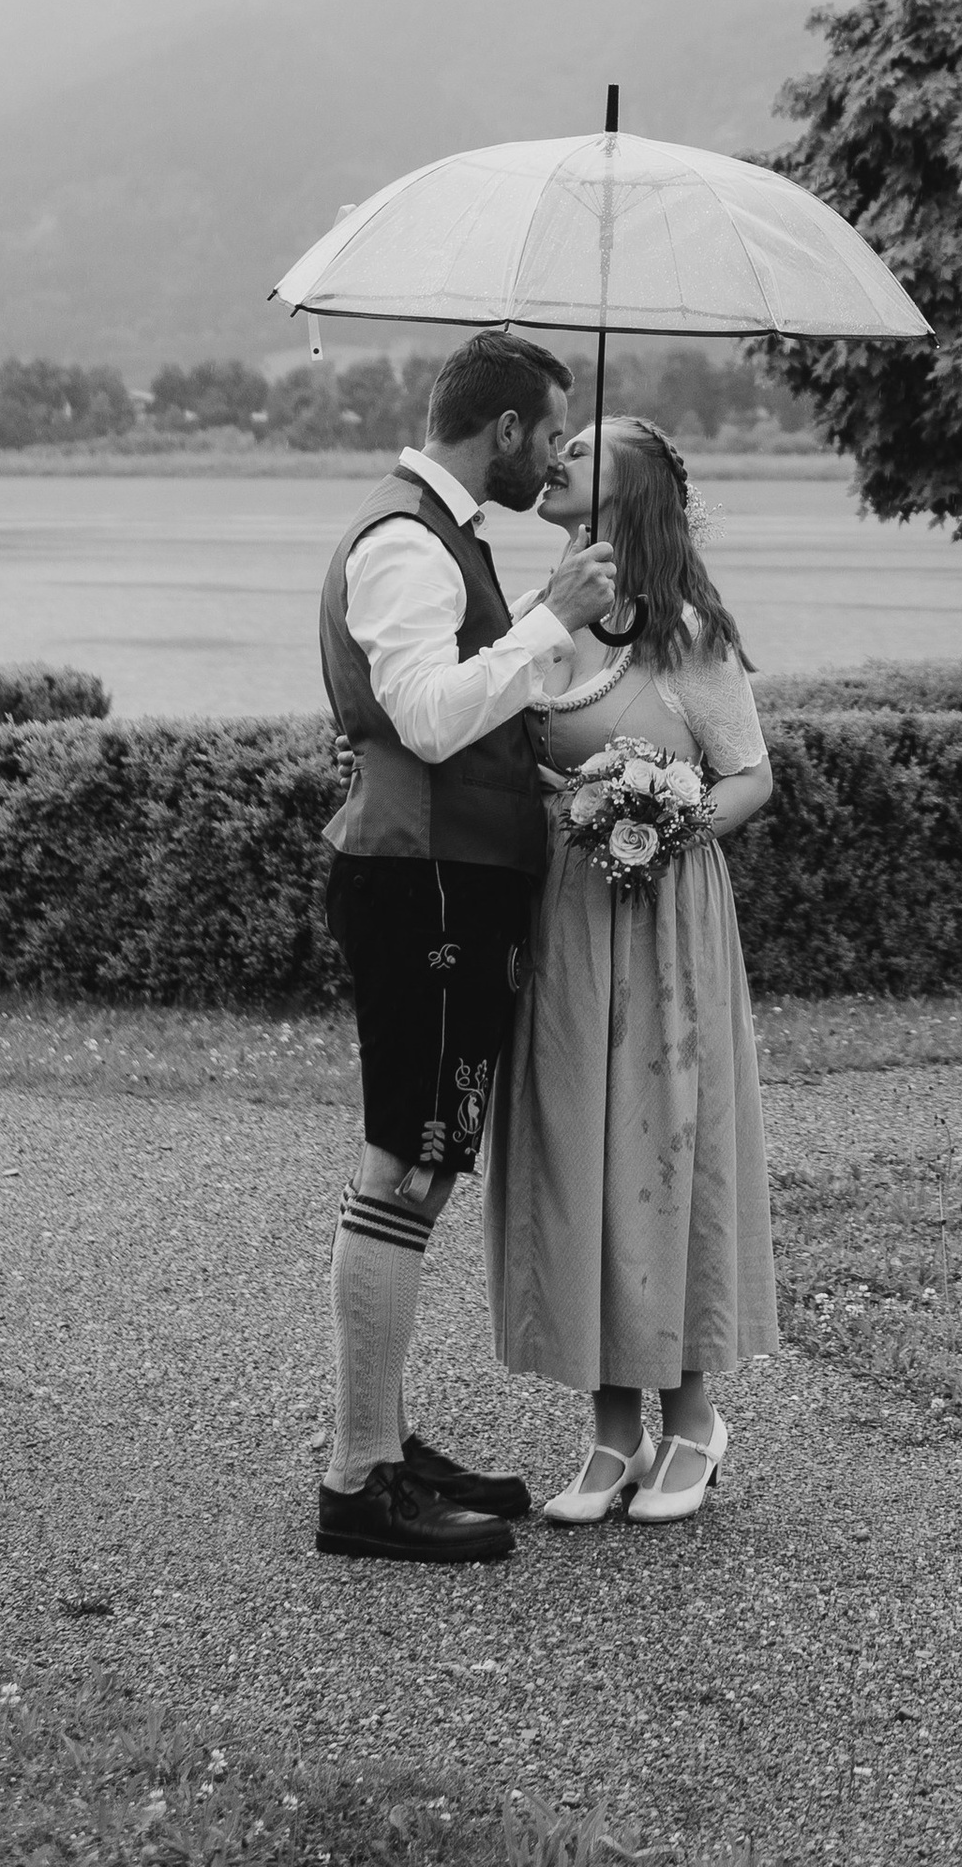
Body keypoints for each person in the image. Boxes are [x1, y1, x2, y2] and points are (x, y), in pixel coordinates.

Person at [313, 329, 622, 1567]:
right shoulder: (404, 542)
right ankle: (357, 1480)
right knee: (407, 1164)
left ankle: (382, 1442)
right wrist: (550, 621)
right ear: (502, 430)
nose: (552, 459)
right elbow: (430, 720)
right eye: (548, 435)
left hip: (448, 881)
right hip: (423, 884)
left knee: (423, 1163)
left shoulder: (442, 535)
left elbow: (467, 711)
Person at [484, 414, 778, 1524]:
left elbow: (748, 774)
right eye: (559, 441)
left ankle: (692, 1417)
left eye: (585, 447)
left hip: (663, 924)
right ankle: (612, 1434)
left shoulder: (687, 632)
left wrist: (665, 818)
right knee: (579, 1153)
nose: (558, 456)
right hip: (564, 920)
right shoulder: (539, 616)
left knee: (663, 1149)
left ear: (634, 491)